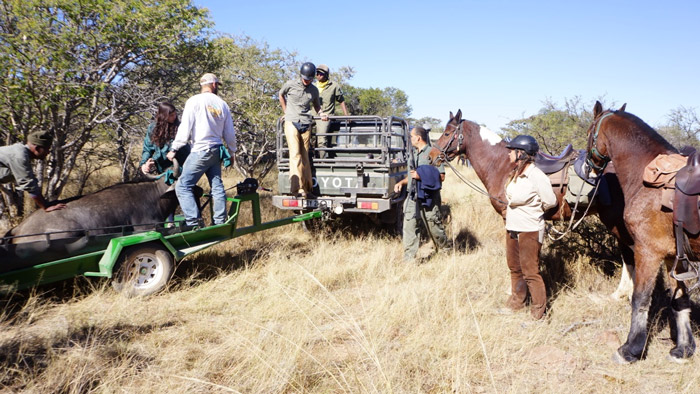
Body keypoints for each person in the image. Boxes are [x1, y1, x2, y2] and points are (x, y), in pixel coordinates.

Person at [166, 73, 236, 227]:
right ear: (214, 85)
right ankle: (219, 222)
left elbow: (186, 127)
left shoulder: (194, 101)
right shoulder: (222, 104)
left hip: (200, 150)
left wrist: (175, 148)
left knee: (182, 186)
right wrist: (232, 152)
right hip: (216, 150)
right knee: (217, 186)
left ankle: (194, 222)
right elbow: (229, 132)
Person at [502, 135, 556, 320]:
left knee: (530, 272)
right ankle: (517, 303)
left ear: (521, 153)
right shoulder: (516, 173)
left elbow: (550, 201)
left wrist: (532, 211)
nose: (509, 154)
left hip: (530, 228)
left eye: (512, 151)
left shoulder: (537, 176)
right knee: (514, 267)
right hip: (512, 227)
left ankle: (538, 314)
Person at [393, 126, 450, 262]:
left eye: (411, 137)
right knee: (409, 225)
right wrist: (401, 182)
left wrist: (422, 175)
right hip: (412, 195)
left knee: (433, 225)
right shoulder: (413, 154)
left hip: (429, 196)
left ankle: (444, 251)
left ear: (418, 138)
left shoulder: (433, 152)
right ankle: (409, 259)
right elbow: (412, 176)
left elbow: (441, 176)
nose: (410, 139)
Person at [278, 62, 328, 198]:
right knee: (295, 155)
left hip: (306, 123)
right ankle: (297, 189)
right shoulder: (290, 84)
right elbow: (280, 95)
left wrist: (321, 113)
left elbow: (317, 106)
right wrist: (286, 111)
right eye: (305, 78)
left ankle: (307, 189)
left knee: (305, 157)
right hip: (291, 122)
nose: (306, 81)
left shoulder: (314, 90)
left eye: (309, 79)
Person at [0, 130, 66, 212]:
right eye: (46, 149)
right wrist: (45, 206)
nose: (48, 152)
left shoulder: (21, 152)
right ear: (37, 148)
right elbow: (28, 184)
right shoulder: (20, 156)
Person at [140, 102, 190, 176]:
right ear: (163, 116)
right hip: (162, 168)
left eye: (175, 114)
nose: (175, 117)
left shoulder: (179, 127)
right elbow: (147, 149)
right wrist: (144, 164)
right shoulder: (153, 128)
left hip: (180, 166)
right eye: (171, 115)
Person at [314, 64, 349, 157]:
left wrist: (346, 115)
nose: (318, 75)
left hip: (326, 116)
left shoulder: (334, 86)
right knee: (303, 131)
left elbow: (341, 100)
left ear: (326, 75)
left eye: (321, 73)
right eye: (317, 73)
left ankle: (322, 161)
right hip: (313, 114)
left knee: (322, 138)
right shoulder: (312, 85)